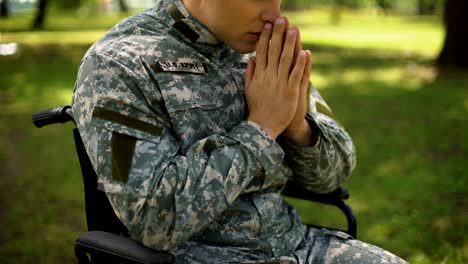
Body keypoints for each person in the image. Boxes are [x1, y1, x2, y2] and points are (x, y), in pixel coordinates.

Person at [72, 0, 408, 263]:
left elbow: (335, 175)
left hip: (298, 246)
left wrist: (295, 125)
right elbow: (152, 219)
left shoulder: (264, 52)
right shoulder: (118, 64)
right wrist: (262, 127)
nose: (273, 14)